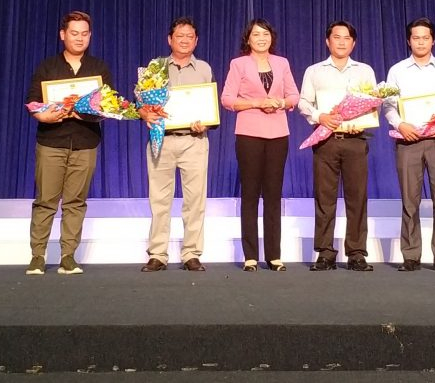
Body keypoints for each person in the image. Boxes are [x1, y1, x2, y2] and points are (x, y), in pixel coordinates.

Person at [24, 11, 113, 276]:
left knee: (76, 201)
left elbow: (108, 106)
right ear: (63, 35)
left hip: (85, 143)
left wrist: (84, 112)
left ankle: (68, 257)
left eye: (84, 34)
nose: (79, 38)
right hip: (52, 142)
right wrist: (43, 115)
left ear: (90, 36)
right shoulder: (47, 67)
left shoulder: (98, 69)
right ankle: (38, 256)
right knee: (45, 200)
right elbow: (33, 102)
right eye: (74, 33)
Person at [383, 17, 435, 273]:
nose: (420, 42)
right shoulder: (397, 70)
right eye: (415, 37)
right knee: (409, 200)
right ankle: (410, 255)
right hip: (409, 141)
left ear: (433, 40)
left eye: (425, 37)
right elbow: (388, 106)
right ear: (409, 41)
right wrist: (400, 124)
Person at [221, 18, 300, 272]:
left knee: (273, 195)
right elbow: (227, 99)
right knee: (250, 194)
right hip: (249, 134)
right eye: (256, 34)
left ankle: (274, 255)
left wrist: (281, 103)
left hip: (278, 134)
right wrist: (257, 103)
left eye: (265, 34)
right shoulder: (239, 64)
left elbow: (294, 95)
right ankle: (250, 256)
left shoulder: (282, 63)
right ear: (248, 39)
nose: (261, 38)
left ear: (271, 37)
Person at [298, 21, 378, 272]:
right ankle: (325, 252)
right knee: (325, 198)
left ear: (353, 43)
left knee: (357, 198)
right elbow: (303, 102)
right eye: (336, 37)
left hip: (356, 141)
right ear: (327, 41)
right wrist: (319, 116)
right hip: (325, 141)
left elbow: (372, 102)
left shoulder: (364, 71)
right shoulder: (315, 71)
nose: (341, 42)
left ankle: (356, 253)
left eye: (346, 38)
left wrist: (361, 122)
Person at [137, 17, 215, 273]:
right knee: (159, 200)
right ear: (170, 39)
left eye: (190, 36)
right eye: (180, 36)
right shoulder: (156, 67)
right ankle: (157, 254)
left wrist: (206, 124)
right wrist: (144, 113)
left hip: (194, 141)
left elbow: (210, 107)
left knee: (195, 201)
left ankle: (191, 253)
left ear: (196, 40)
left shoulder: (204, 68)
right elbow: (141, 104)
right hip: (162, 140)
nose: (184, 40)